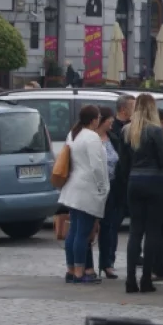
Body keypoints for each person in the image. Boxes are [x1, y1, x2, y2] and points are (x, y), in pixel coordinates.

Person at [122, 93, 163, 293]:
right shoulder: (155, 131)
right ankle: (146, 279)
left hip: (134, 182)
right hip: (155, 182)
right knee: (152, 231)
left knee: (135, 231)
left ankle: (130, 279)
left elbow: (123, 164)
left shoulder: (127, 130)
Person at [58, 105, 110, 284]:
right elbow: (96, 166)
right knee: (83, 232)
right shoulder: (92, 137)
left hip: (73, 187)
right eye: (99, 117)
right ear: (94, 119)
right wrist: (103, 187)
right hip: (87, 188)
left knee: (73, 230)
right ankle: (80, 272)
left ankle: (71, 269)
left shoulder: (73, 134)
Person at [97, 107, 129, 280]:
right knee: (92, 227)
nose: (112, 122)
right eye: (109, 119)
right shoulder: (92, 139)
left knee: (110, 227)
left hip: (114, 188)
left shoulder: (113, 138)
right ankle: (86, 266)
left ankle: (108, 263)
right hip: (96, 189)